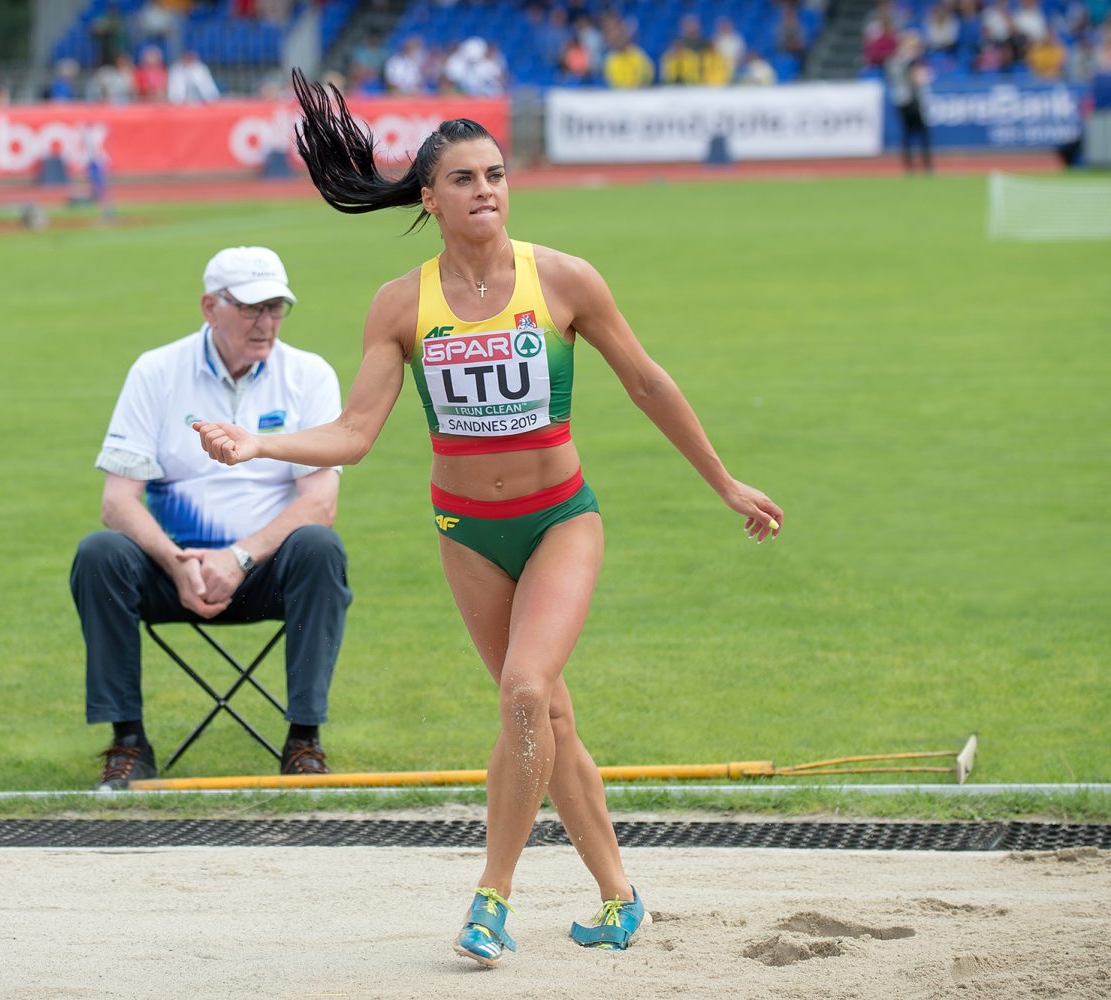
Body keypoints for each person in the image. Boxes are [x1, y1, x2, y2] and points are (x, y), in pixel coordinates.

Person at [195, 72, 783, 967]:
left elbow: (647, 382)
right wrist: (255, 446)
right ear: (428, 198)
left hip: (559, 522)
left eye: (496, 175)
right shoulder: (401, 304)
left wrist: (726, 483)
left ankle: (490, 898)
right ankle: (621, 899)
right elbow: (356, 434)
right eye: (465, 179)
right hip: (466, 533)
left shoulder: (565, 280)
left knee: (522, 693)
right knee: (550, 716)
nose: (486, 192)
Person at [70, 246, 352, 790]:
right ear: (209, 307)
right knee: (99, 552)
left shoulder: (308, 375)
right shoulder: (156, 371)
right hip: (172, 570)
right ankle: (127, 743)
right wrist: (176, 563)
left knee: (320, 546)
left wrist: (239, 557)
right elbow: (117, 500)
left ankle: (304, 741)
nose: (266, 323)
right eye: (251, 308)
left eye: (276, 307)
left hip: (264, 569)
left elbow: (320, 502)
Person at [887, 32, 933, 174]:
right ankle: (926, 166)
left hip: (900, 101)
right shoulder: (912, 62)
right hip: (913, 101)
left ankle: (909, 166)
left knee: (907, 134)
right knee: (922, 133)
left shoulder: (893, 61)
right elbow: (919, 80)